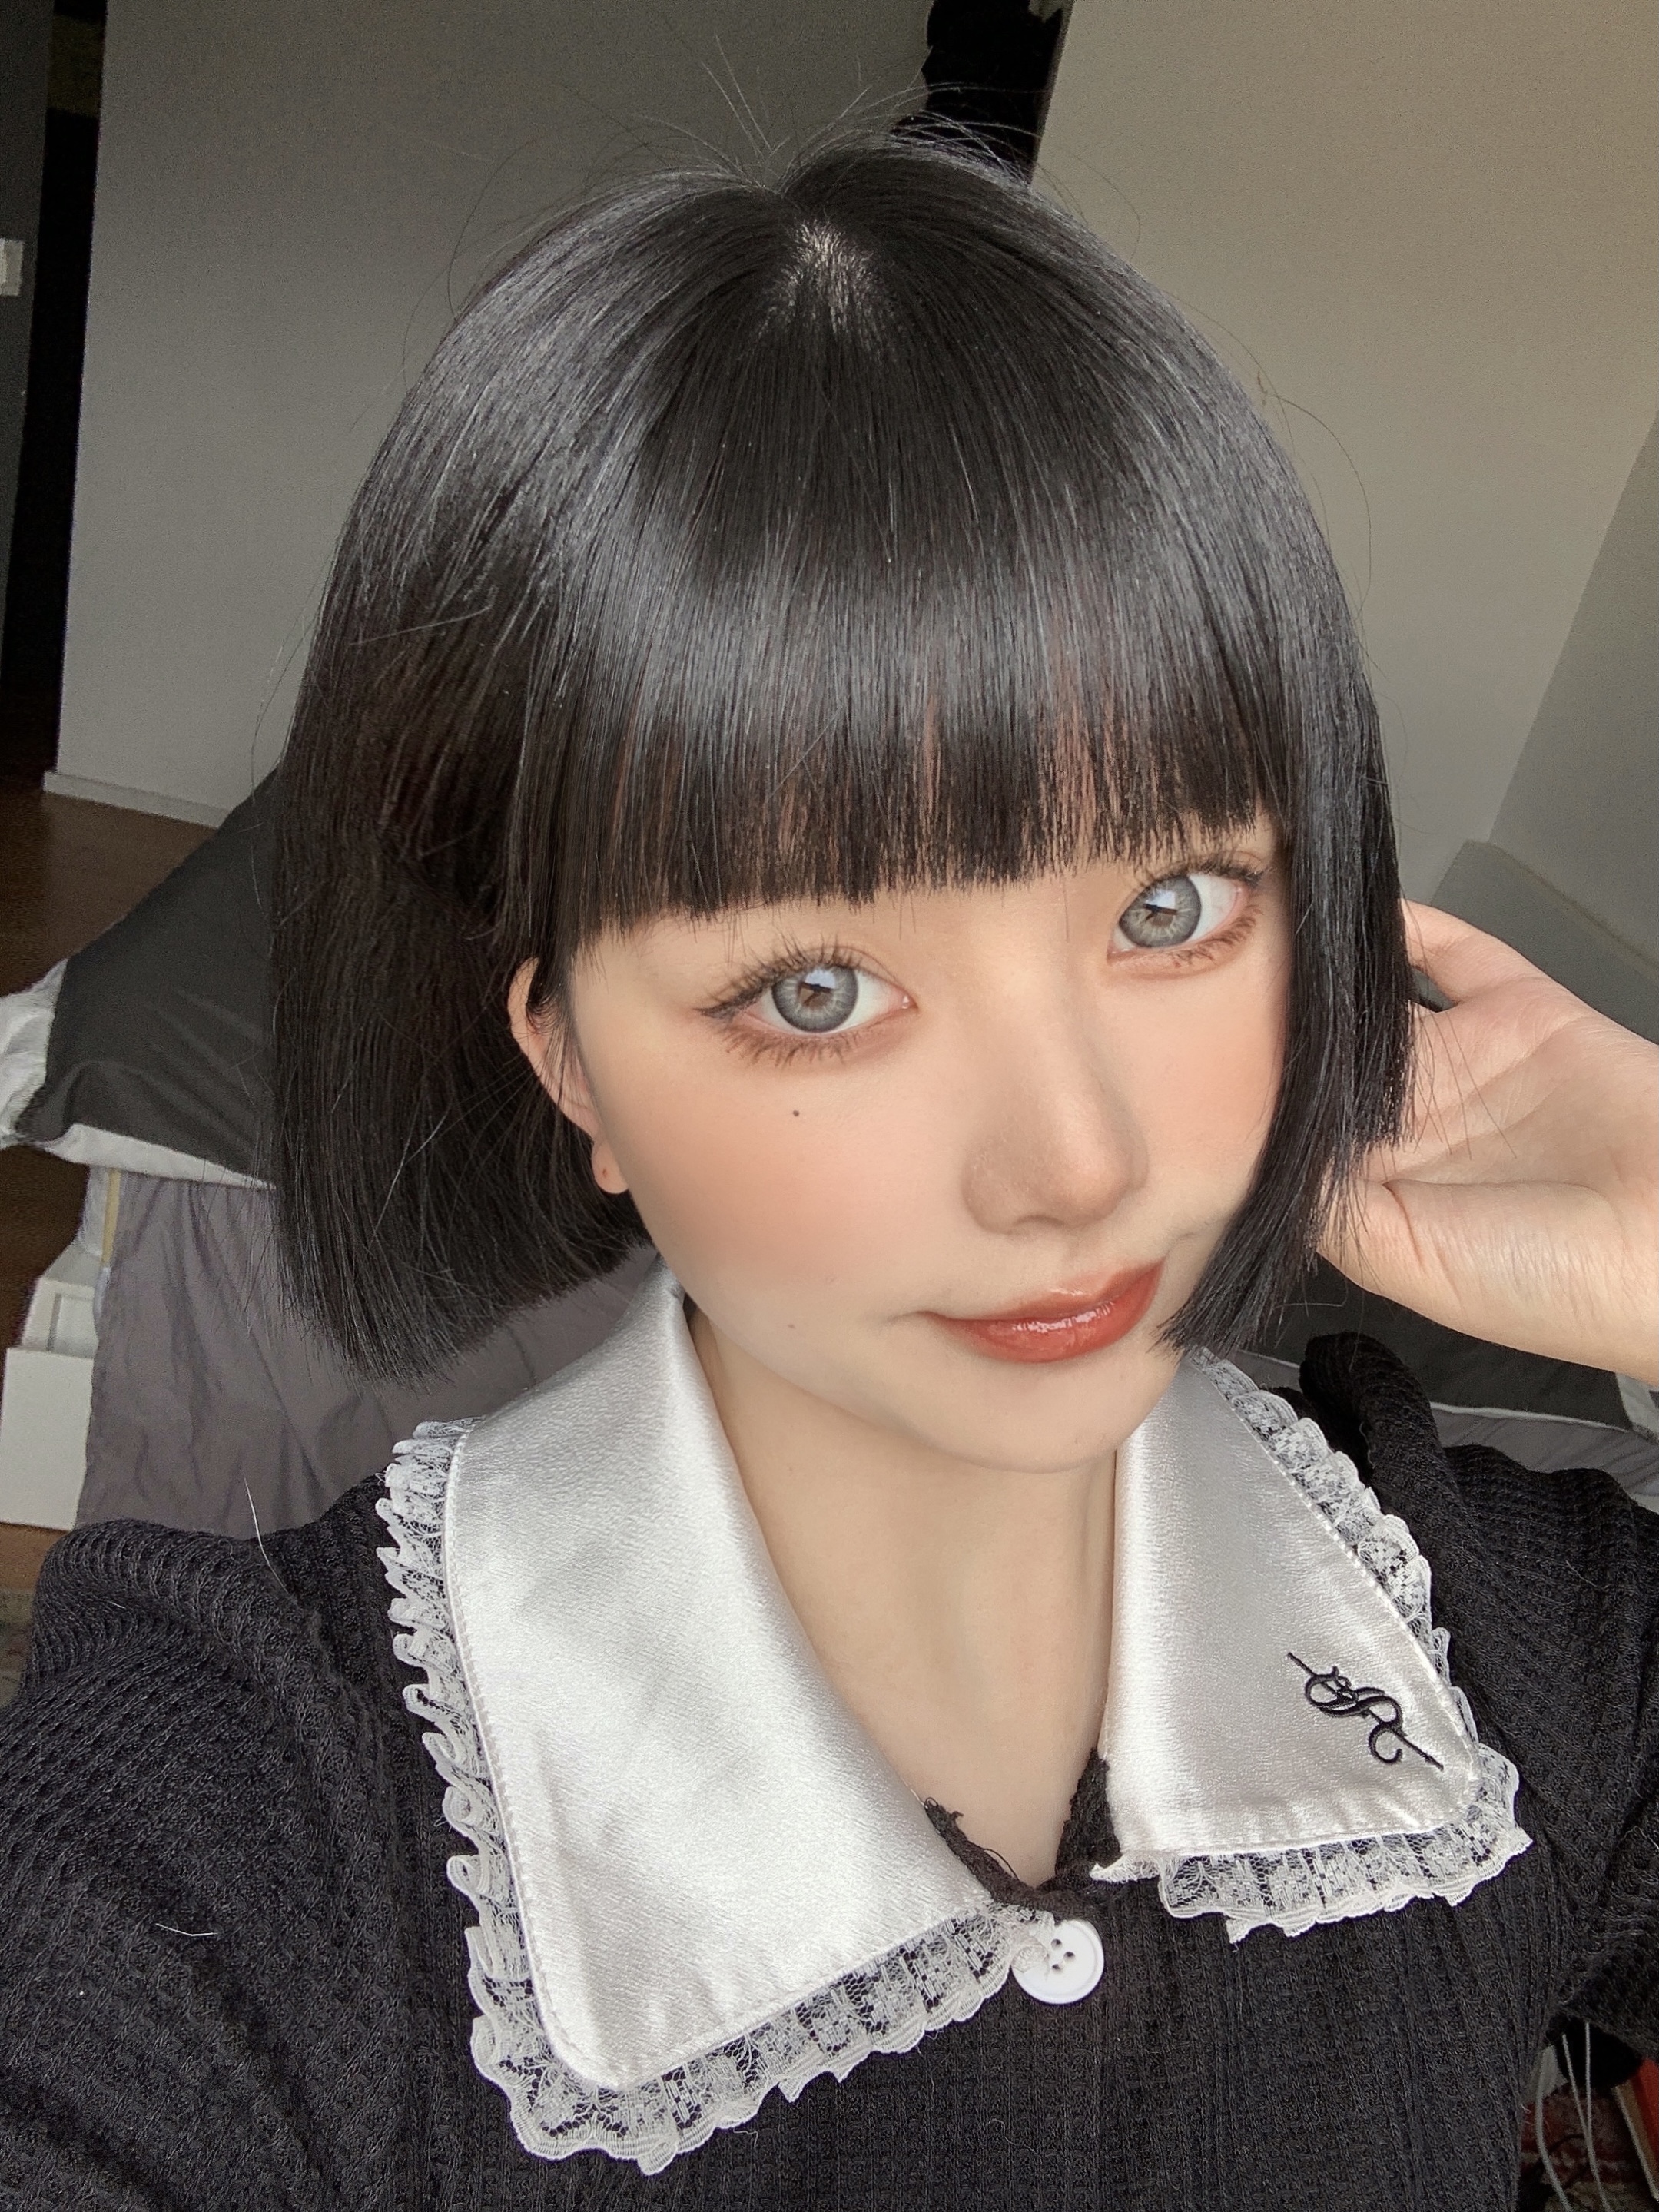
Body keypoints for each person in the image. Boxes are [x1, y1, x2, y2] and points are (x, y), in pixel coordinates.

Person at [2, 135, 1654, 2210]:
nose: (1077, 1164)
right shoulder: (238, 1809)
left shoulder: (1500, 1644)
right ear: (569, 1061)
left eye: (1167, 913)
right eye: (817, 989)